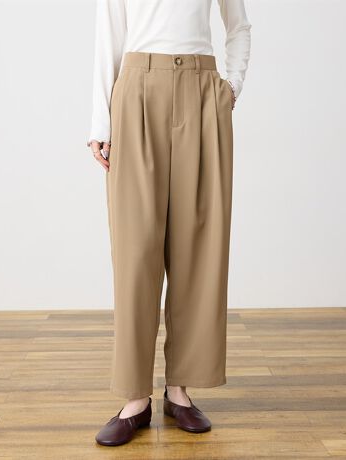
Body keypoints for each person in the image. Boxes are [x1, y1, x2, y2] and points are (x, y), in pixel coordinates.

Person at [87, 0, 251, 447]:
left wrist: (231, 87)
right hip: (137, 91)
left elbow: (238, 26)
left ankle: (180, 390)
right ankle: (134, 398)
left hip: (202, 91)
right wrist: (100, 121)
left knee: (199, 244)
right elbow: (109, 36)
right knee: (135, 251)